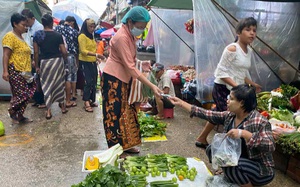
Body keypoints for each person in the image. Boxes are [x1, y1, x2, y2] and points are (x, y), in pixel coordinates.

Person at [169, 84, 275, 187]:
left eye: (231, 98)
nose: (227, 100)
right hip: (241, 161)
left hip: (260, 170)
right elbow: (206, 114)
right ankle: (234, 174)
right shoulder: (231, 116)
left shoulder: (259, 121)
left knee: (230, 163)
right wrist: (181, 103)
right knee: (212, 149)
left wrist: (245, 134)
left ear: (241, 103)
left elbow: (270, 145)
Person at [101, 6, 162, 154]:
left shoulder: (129, 35)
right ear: (129, 22)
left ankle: (126, 145)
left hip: (123, 79)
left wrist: (141, 63)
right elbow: (129, 67)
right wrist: (152, 86)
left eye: (143, 27)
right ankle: (114, 150)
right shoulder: (121, 37)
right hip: (113, 80)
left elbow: (130, 59)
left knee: (126, 112)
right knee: (113, 115)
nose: (140, 30)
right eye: (139, 27)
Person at [195, 17, 262, 149]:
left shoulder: (249, 51)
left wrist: (252, 84)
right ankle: (226, 149)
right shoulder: (232, 49)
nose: (252, 33)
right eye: (248, 30)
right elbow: (220, 72)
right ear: (238, 32)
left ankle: (202, 138)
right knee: (230, 117)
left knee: (219, 113)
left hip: (234, 90)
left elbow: (241, 72)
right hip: (223, 88)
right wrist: (237, 87)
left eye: (254, 30)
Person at [2, 13, 36, 124]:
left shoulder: (22, 37)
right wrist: (5, 71)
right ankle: (12, 110)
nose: (25, 27)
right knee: (23, 94)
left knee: (30, 91)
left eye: (26, 25)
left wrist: (32, 62)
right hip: (15, 70)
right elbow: (6, 55)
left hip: (25, 71)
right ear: (15, 24)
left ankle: (20, 115)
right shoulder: (10, 36)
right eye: (23, 25)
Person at [33, 14, 68, 119]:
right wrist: (64, 61)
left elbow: (35, 52)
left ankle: (48, 110)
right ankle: (62, 106)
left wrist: (37, 66)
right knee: (59, 84)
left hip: (45, 63)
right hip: (57, 62)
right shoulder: (58, 35)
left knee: (47, 86)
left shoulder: (37, 35)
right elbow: (64, 52)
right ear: (52, 23)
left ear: (43, 23)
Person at [78, 18, 105, 112]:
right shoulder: (82, 36)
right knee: (87, 82)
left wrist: (96, 58)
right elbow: (83, 51)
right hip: (84, 62)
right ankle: (86, 102)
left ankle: (92, 100)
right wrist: (96, 55)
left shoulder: (91, 36)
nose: (92, 28)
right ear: (86, 26)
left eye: (93, 27)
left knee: (94, 81)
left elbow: (93, 49)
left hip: (93, 61)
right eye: (90, 26)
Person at [21, 8, 45, 109]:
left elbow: (39, 46)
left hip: (37, 56)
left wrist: (35, 60)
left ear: (33, 18)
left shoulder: (38, 27)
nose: (26, 23)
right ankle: (36, 98)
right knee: (32, 78)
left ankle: (42, 100)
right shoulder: (29, 27)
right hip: (30, 55)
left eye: (27, 21)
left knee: (38, 78)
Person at [55, 16, 79, 108]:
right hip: (71, 56)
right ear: (72, 22)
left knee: (63, 77)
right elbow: (77, 47)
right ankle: (71, 97)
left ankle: (62, 99)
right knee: (71, 76)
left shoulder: (57, 28)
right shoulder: (74, 32)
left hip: (59, 56)